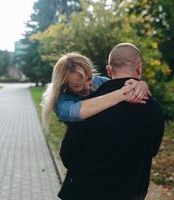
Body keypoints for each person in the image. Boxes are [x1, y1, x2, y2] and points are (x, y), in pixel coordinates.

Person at [58, 43, 164, 200]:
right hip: (131, 192)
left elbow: (66, 154)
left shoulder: (89, 107)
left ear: (108, 70)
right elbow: (152, 150)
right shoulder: (154, 109)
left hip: (85, 191)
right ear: (139, 68)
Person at [42, 52, 150, 132]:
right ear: (64, 85)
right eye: (77, 85)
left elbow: (123, 84)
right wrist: (121, 94)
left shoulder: (98, 82)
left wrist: (140, 84)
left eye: (89, 79)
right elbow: (75, 112)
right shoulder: (61, 102)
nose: (87, 88)